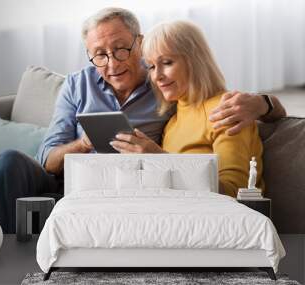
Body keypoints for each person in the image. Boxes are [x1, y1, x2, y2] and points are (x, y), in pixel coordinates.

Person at [0, 8, 286, 233]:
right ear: (90, 55)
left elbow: (209, 94)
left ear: (139, 43)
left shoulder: (165, 90)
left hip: (122, 192)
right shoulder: (78, 84)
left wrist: (264, 103)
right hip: (67, 183)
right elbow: (47, 160)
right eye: (99, 55)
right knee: (11, 161)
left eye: (121, 49)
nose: (112, 63)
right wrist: (82, 144)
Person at [110, 20, 284, 197]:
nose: (157, 76)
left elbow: (235, 192)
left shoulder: (226, 110)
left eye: (167, 62)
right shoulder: (172, 121)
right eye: (152, 66)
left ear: (195, 61)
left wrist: (159, 159)